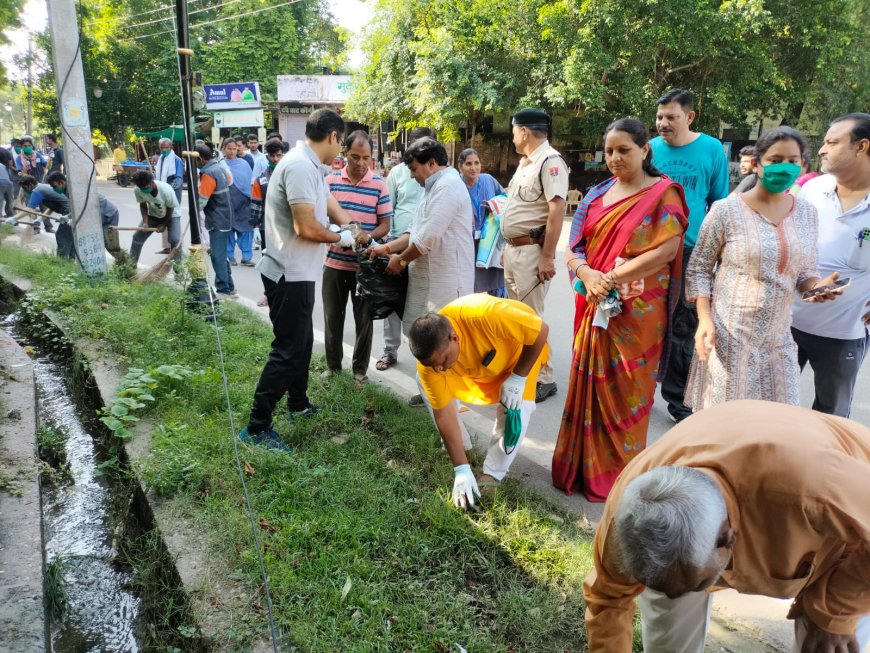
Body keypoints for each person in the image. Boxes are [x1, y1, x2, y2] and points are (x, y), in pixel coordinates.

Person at [582, 400, 870, 653]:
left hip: (851, 539)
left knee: (830, 642)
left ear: (727, 539)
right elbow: (608, 599)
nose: (677, 595)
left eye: (694, 583)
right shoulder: (630, 514)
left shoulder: (813, 488)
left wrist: (837, 611)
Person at [551, 118, 688, 502]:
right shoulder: (596, 195)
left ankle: (619, 476)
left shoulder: (664, 194)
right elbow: (573, 247)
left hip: (638, 314)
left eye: (623, 150)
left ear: (645, 150)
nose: (614, 158)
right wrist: (587, 272)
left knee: (627, 389)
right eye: (609, 150)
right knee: (589, 381)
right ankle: (578, 468)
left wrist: (608, 278)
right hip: (595, 305)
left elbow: (666, 251)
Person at [685, 127, 842, 410]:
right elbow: (698, 269)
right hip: (728, 337)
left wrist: (817, 286)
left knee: (775, 426)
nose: (784, 166)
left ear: (803, 165)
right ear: (757, 164)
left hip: (778, 340)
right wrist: (704, 319)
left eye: (792, 161)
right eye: (775, 159)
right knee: (727, 427)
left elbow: (805, 272)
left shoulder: (807, 213)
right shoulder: (725, 211)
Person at [239, 108, 356, 451]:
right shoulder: (301, 166)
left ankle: (298, 403)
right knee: (288, 350)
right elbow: (306, 227)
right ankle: (257, 427)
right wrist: (340, 238)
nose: (341, 152)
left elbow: (329, 201)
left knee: (302, 344)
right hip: (289, 273)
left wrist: (353, 227)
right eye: (342, 144)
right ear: (334, 136)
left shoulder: (309, 165)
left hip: (298, 273)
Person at [410, 295, 550, 508]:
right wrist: (460, 468)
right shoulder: (433, 365)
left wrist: (519, 377)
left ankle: (493, 474)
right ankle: (464, 450)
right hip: (473, 370)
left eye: (442, 361)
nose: (438, 369)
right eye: (433, 365)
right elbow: (443, 413)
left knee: (515, 409)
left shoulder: (485, 314)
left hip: (516, 360)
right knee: (424, 381)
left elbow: (541, 331)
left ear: (454, 337)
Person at [650, 88, 730, 422]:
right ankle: (637, 389)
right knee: (647, 319)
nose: (663, 123)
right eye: (659, 117)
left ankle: (680, 401)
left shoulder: (711, 149)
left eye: (671, 117)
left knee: (684, 325)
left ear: (690, 116)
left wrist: (718, 253)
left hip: (692, 250)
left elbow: (718, 203)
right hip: (651, 249)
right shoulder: (649, 150)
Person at [791, 113, 870, 417]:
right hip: (789, 324)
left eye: (832, 142)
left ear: (861, 146)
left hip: (843, 334)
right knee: (772, 407)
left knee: (830, 417)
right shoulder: (813, 189)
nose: (822, 149)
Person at [370, 137, 474, 338]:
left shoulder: (448, 185)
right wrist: (388, 248)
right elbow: (414, 231)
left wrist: (400, 261)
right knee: (426, 340)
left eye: (414, 169)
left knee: (443, 342)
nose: (411, 175)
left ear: (432, 163)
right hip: (427, 280)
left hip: (447, 283)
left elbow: (427, 238)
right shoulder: (432, 186)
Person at [500, 108, 568, 403]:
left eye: (514, 131)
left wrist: (548, 257)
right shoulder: (526, 163)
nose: (513, 136)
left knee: (531, 319)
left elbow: (557, 209)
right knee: (518, 316)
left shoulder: (550, 162)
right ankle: (524, 370)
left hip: (532, 252)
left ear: (524, 131)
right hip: (515, 250)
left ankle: (545, 377)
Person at [322, 130, 393, 383]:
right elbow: (323, 219)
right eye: (355, 157)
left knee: (364, 321)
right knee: (332, 318)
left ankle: (360, 371)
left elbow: (386, 224)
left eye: (366, 158)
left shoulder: (379, 185)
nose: (361, 163)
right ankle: (332, 368)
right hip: (334, 263)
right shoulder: (330, 182)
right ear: (345, 154)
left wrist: (367, 237)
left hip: (365, 269)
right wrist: (337, 234)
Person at [376, 126, 434, 373]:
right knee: (392, 301)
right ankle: (390, 351)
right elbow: (389, 209)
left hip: (425, 248)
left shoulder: (440, 179)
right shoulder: (399, 174)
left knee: (424, 306)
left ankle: (427, 357)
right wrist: (390, 248)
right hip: (401, 243)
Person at [458, 147, 507, 297]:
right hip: (467, 241)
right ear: (460, 166)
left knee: (496, 281)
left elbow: (505, 198)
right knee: (467, 282)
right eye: (468, 164)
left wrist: (495, 206)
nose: (473, 168)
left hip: (489, 240)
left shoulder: (488, 180)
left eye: (476, 163)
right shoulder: (456, 184)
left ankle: (498, 315)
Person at [195, 142, 236, 297]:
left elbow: (202, 200)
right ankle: (230, 286)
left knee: (217, 256)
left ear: (200, 159)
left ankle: (223, 289)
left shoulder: (208, 174)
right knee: (221, 254)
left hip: (217, 219)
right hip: (224, 217)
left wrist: (194, 212)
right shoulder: (218, 167)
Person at [130, 169, 181, 264]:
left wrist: (164, 225)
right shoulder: (138, 190)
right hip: (153, 214)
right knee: (137, 237)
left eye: (146, 188)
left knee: (175, 239)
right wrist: (145, 222)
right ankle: (130, 268)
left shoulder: (166, 190)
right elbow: (143, 205)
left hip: (172, 214)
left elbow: (170, 208)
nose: (144, 191)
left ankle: (178, 270)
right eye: (142, 189)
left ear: (152, 183)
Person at [221, 137, 255, 266]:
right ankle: (230, 256)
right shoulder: (221, 165)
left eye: (234, 149)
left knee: (246, 230)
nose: (232, 151)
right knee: (229, 230)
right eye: (229, 149)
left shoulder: (244, 164)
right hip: (227, 202)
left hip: (244, 202)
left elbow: (250, 183)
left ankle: (246, 257)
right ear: (224, 149)